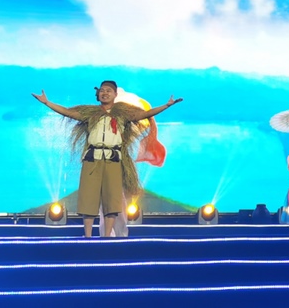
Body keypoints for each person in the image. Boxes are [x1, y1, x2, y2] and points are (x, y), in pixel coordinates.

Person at [32, 80, 181, 238]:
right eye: (102, 90)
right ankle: (88, 237)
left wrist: (166, 105)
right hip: (92, 160)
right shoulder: (90, 113)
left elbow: (145, 114)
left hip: (113, 160)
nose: (105, 93)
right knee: (88, 199)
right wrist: (47, 102)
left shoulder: (123, 114)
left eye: (109, 90)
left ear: (115, 94)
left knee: (112, 201)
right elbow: (67, 112)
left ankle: (107, 236)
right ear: (98, 94)